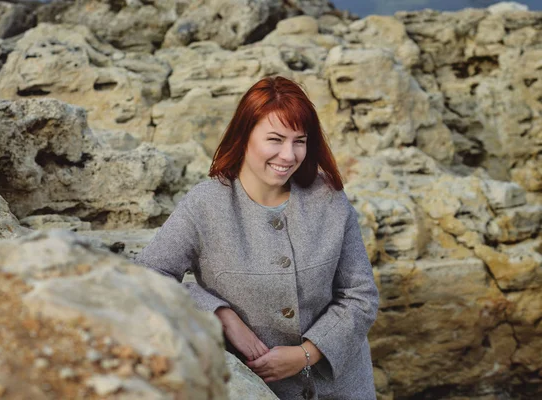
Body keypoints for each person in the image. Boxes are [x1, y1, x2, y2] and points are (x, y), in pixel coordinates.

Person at [134, 76, 379, 399]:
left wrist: (305, 354)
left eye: (299, 141)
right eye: (275, 139)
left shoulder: (329, 198)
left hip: (344, 387)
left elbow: (360, 296)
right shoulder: (206, 204)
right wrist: (220, 314)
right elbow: (144, 276)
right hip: (256, 390)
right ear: (244, 135)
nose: (289, 155)